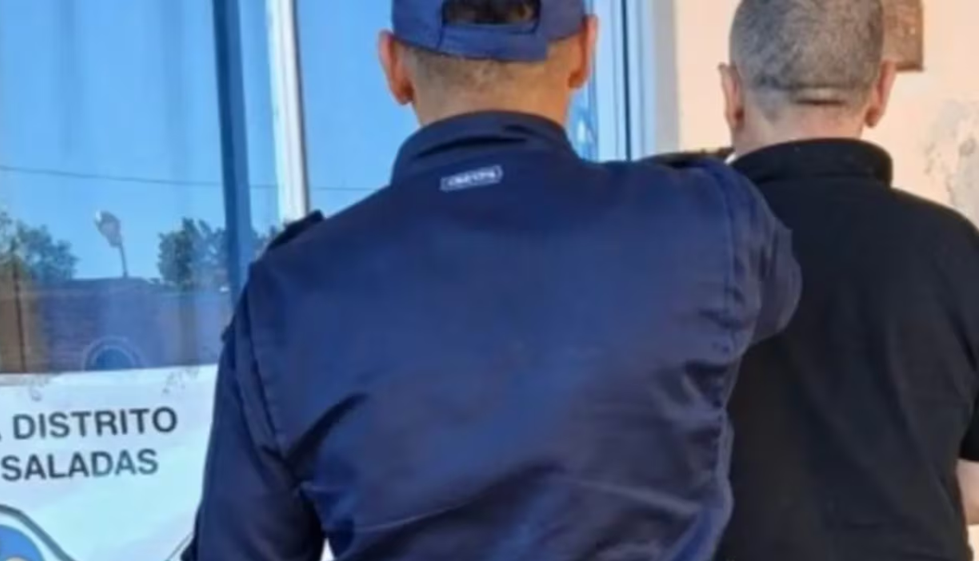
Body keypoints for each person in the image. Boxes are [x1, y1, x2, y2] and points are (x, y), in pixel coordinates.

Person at [182, 1, 800, 559]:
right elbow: (782, 293)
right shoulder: (703, 222)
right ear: (585, 53)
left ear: (393, 68)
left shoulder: (290, 296)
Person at [714, 1, 979, 560]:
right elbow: (975, 487)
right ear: (881, 89)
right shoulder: (955, 249)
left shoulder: (675, 248)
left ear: (732, 94)